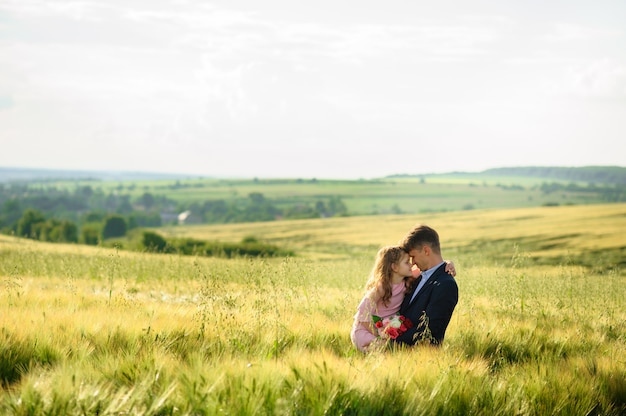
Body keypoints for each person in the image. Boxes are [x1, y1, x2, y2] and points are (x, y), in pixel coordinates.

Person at [350, 245, 456, 353]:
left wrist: (447, 264)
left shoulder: (407, 279)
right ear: (395, 267)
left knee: (391, 349)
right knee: (381, 347)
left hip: (387, 328)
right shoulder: (381, 287)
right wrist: (378, 334)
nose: (411, 265)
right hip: (366, 330)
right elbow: (363, 313)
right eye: (407, 262)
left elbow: (433, 267)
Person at [392, 224, 458, 347]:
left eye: (413, 257)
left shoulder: (446, 285)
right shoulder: (416, 276)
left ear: (426, 251)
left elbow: (430, 330)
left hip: (421, 358)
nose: (413, 263)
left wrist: (390, 343)